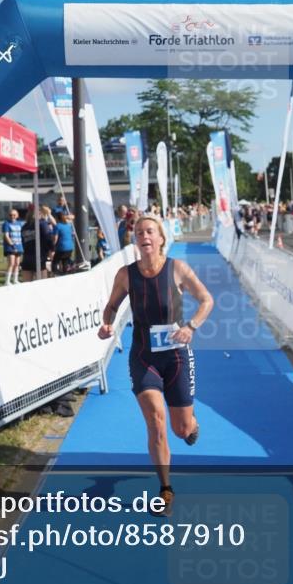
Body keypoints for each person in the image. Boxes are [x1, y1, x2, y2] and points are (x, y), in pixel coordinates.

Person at [97, 214, 214, 515]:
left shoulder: (178, 269)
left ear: (161, 238)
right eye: (138, 233)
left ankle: (192, 423)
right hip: (143, 357)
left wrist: (191, 327)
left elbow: (206, 300)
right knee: (156, 421)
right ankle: (165, 489)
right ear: (135, 240)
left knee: (180, 429)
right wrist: (107, 324)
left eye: (150, 232)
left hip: (176, 356)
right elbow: (111, 306)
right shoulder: (126, 274)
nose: (144, 236)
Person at [2, 208, 24, 286]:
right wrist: (12, 245)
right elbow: (6, 236)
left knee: (17, 263)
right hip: (10, 246)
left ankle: (15, 279)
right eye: (11, 215)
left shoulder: (19, 223)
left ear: (17, 215)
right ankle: (7, 281)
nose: (12, 216)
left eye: (14, 215)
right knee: (11, 263)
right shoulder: (6, 224)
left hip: (19, 245)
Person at [51, 210, 76, 275]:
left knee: (55, 262)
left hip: (62, 248)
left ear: (56, 218)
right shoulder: (68, 225)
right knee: (65, 261)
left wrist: (52, 246)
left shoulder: (57, 226)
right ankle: (65, 274)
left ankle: (56, 274)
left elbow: (55, 239)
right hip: (70, 247)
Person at [20, 206, 40, 282]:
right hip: (37, 256)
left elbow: (23, 241)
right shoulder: (39, 225)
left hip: (27, 256)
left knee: (27, 283)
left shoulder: (24, 227)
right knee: (41, 283)